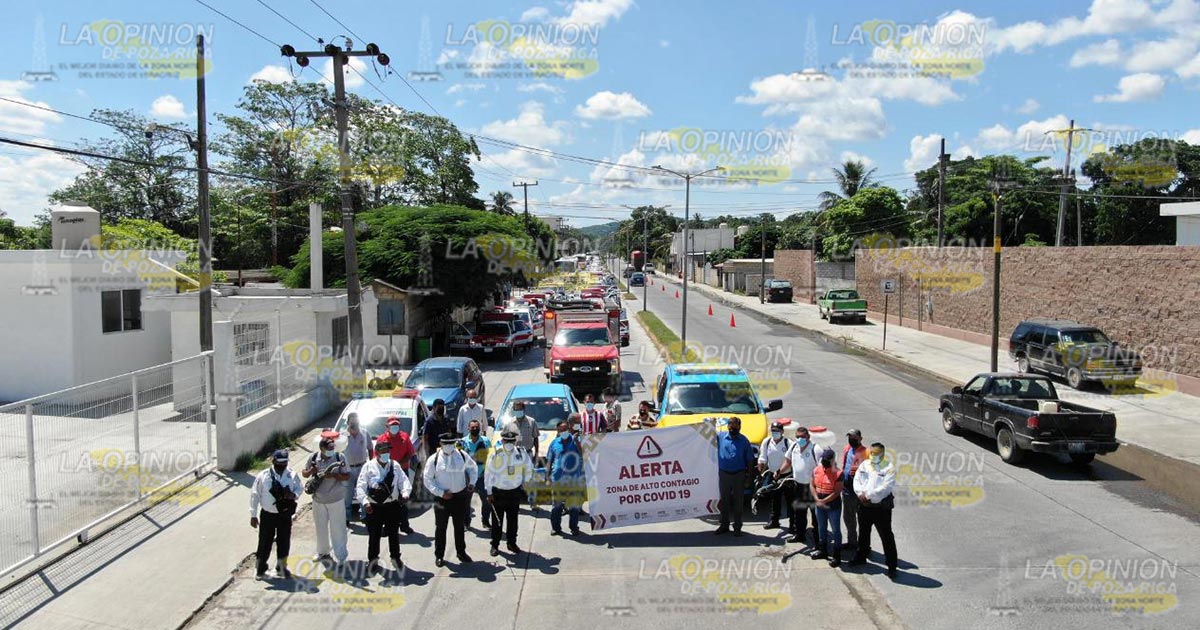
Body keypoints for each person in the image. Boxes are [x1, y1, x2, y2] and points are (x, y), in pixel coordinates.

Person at [356, 437, 412, 574]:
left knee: (393, 533)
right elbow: (360, 486)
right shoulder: (368, 466)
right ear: (376, 452)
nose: (386, 453)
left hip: (391, 505)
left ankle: (395, 557)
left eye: (388, 450)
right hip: (374, 507)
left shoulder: (395, 466)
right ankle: (373, 560)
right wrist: (365, 502)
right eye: (383, 450)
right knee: (374, 535)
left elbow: (404, 482)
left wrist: (405, 494)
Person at [423, 432, 478, 567]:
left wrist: (472, 483)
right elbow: (427, 479)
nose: (449, 446)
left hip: (459, 497)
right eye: (446, 444)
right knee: (441, 528)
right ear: (441, 444)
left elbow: (473, 469)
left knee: (459, 527)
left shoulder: (462, 456)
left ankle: (461, 552)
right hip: (442, 499)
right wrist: (440, 493)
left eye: (451, 444)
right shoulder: (434, 459)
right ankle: (439, 555)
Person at [249, 449, 302, 579]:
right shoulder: (263, 476)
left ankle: (281, 567)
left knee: (284, 541)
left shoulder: (292, 475)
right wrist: (253, 515)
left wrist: (293, 495)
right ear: (273, 461)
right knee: (264, 542)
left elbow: (299, 488)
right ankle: (260, 568)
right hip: (268, 515)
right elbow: (255, 495)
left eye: (285, 462)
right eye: (280, 462)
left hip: (284, 514)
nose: (283, 465)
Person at [849, 442, 898, 580]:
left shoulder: (889, 468)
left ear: (882, 454)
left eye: (876, 454)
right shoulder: (865, 465)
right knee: (863, 533)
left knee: (886, 536)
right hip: (864, 506)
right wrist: (860, 494)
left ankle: (892, 566)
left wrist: (868, 495)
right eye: (872, 453)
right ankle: (861, 556)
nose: (873, 456)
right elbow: (857, 480)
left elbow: (885, 488)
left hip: (880, 509)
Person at [302, 430, 350, 568]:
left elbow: (346, 476)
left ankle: (341, 555)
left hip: (336, 499)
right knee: (320, 527)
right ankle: (323, 552)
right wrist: (312, 471)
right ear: (321, 448)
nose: (331, 451)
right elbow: (305, 473)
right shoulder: (313, 458)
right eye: (328, 449)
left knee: (338, 528)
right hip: (318, 500)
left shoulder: (340, 458)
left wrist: (334, 476)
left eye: (332, 448)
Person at [485, 429, 534, 556]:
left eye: (512, 440)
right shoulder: (495, 453)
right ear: (502, 440)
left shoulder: (521, 452)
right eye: (507, 440)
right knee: (497, 521)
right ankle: (495, 545)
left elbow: (529, 468)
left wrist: (525, 482)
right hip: (498, 493)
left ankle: (512, 543)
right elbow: (488, 473)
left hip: (514, 492)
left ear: (515, 441)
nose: (509, 443)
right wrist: (489, 492)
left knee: (513, 521)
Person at [776, 426, 819, 545]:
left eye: (803, 437)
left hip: (812, 487)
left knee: (815, 515)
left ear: (808, 437)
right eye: (798, 437)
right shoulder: (794, 446)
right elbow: (788, 461)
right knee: (799, 513)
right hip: (798, 485)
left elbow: (822, 469)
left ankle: (818, 539)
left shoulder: (815, 449)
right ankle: (800, 535)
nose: (800, 439)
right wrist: (779, 471)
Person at [715, 417, 754, 536]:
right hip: (724, 474)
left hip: (739, 474)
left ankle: (737, 527)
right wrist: (710, 423)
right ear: (727, 427)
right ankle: (724, 525)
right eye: (730, 426)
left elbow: (750, 461)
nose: (732, 428)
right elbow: (705, 434)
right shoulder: (721, 437)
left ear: (739, 427)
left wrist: (749, 478)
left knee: (738, 502)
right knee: (724, 501)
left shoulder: (744, 441)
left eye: (735, 426)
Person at [546, 419, 585, 536]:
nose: (564, 432)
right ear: (558, 431)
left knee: (574, 507)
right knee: (556, 506)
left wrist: (577, 441)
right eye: (561, 430)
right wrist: (547, 477)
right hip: (557, 480)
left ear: (569, 429)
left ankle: (574, 527)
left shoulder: (576, 440)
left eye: (565, 429)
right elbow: (549, 461)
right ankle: (556, 528)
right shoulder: (554, 443)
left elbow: (584, 453)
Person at [380, 416, 416, 535]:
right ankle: (387, 527)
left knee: (403, 499)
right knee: (387, 500)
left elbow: (410, 453)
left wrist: (399, 464)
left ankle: (404, 525)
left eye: (396, 425)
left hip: (402, 472)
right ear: (387, 427)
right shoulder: (382, 440)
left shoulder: (405, 437)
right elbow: (377, 456)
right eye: (392, 425)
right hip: (387, 473)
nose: (394, 427)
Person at [756, 420, 793, 530]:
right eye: (773, 431)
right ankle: (774, 521)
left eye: (777, 431)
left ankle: (793, 524)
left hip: (786, 476)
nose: (774, 433)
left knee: (790, 501)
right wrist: (760, 465)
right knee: (774, 500)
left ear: (782, 431)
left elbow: (790, 460)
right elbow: (763, 457)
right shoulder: (767, 442)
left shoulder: (788, 443)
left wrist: (780, 472)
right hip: (772, 474)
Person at [811, 447, 844, 567]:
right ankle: (822, 551)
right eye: (823, 459)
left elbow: (836, 492)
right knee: (821, 528)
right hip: (819, 505)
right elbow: (812, 484)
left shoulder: (838, 473)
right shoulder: (817, 470)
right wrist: (816, 498)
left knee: (835, 531)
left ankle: (836, 556)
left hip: (833, 507)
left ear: (832, 460)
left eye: (827, 460)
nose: (824, 462)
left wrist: (822, 501)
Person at [461, 419, 493, 529]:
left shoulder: (485, 441)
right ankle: (466, 522)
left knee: (487, 500)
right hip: (468, 478)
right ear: (468, 428)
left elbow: (491, 458)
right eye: (472, 427)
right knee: (465, 502)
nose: (475, 429)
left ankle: (485, 520)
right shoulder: (463, 442)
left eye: (477, 427)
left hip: (482, 476)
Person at [342, 414, 374, 522]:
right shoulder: (342, 436)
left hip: (362, 467)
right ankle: (346, 517)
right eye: (352, 423)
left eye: (356, 423)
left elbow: (370, 448)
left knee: (363, 493)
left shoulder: (364, 433)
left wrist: (371, 463)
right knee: (347, 495)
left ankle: (364, 516)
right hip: (348, 469)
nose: (355, 425)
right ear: (348, 423)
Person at [841, 429, 868, 553]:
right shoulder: (847, 449)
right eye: (850, 437)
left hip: (860, 491)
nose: (851, 440)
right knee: (848, 517)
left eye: (854, 438)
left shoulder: (866, 453)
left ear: (860, 439)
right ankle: (852, 542)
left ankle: (864, 545)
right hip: (847, 489)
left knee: (863, 519)